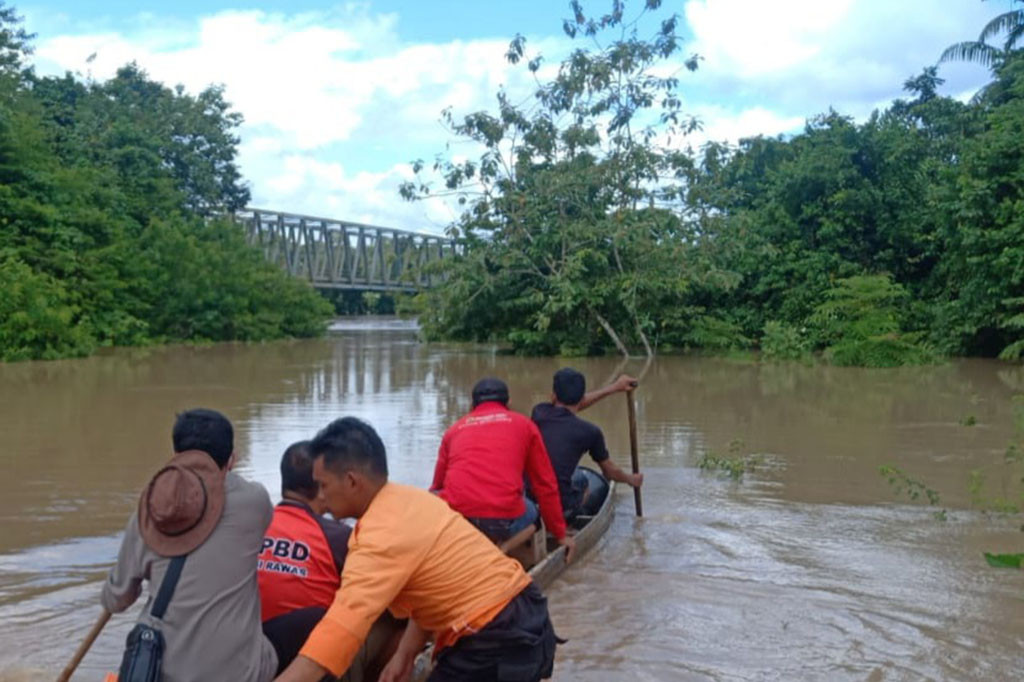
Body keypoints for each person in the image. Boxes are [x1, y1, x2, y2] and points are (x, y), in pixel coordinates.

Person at [274, 416, 560, 682]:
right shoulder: (410, 500)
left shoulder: (379, 537)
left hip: (496, 639)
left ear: (351, 481)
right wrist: (405, 653)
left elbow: (340, 630)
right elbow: (430, 591)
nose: (320, 497)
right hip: (528, 612)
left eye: (323, 485)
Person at [101, 408, 278, 682]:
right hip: (241, 674)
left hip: (159, 671)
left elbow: (116, 599)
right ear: (231, 459)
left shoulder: (147, 513)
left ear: (176, 456)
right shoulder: (254, 502)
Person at [258, 440, 403, 681]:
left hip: (258, 656)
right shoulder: (336, 536)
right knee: (402, 616)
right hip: (316, 663)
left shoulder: (252, 529)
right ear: (321, 487)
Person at [431, 377, 571, 553]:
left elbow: (437, 486)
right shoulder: (525, 425)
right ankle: (500, 551)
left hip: (459, 520)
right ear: (509, 402)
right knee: (534, 514)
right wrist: (560, 534)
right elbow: (545, 484)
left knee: (437, 496)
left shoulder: (453, 430)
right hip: (502, 520)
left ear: (472, 405)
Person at [531, 369, 644, 522]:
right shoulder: (590, 432)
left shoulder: (539, 412)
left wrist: (614, 387)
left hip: (529, 497)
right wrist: (631, 479)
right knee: (583, 480)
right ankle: (568, 521)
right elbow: (610, 473)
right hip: (559, 505)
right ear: (581, 397)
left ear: (553, 396)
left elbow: (571, 406)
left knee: (574, 475)